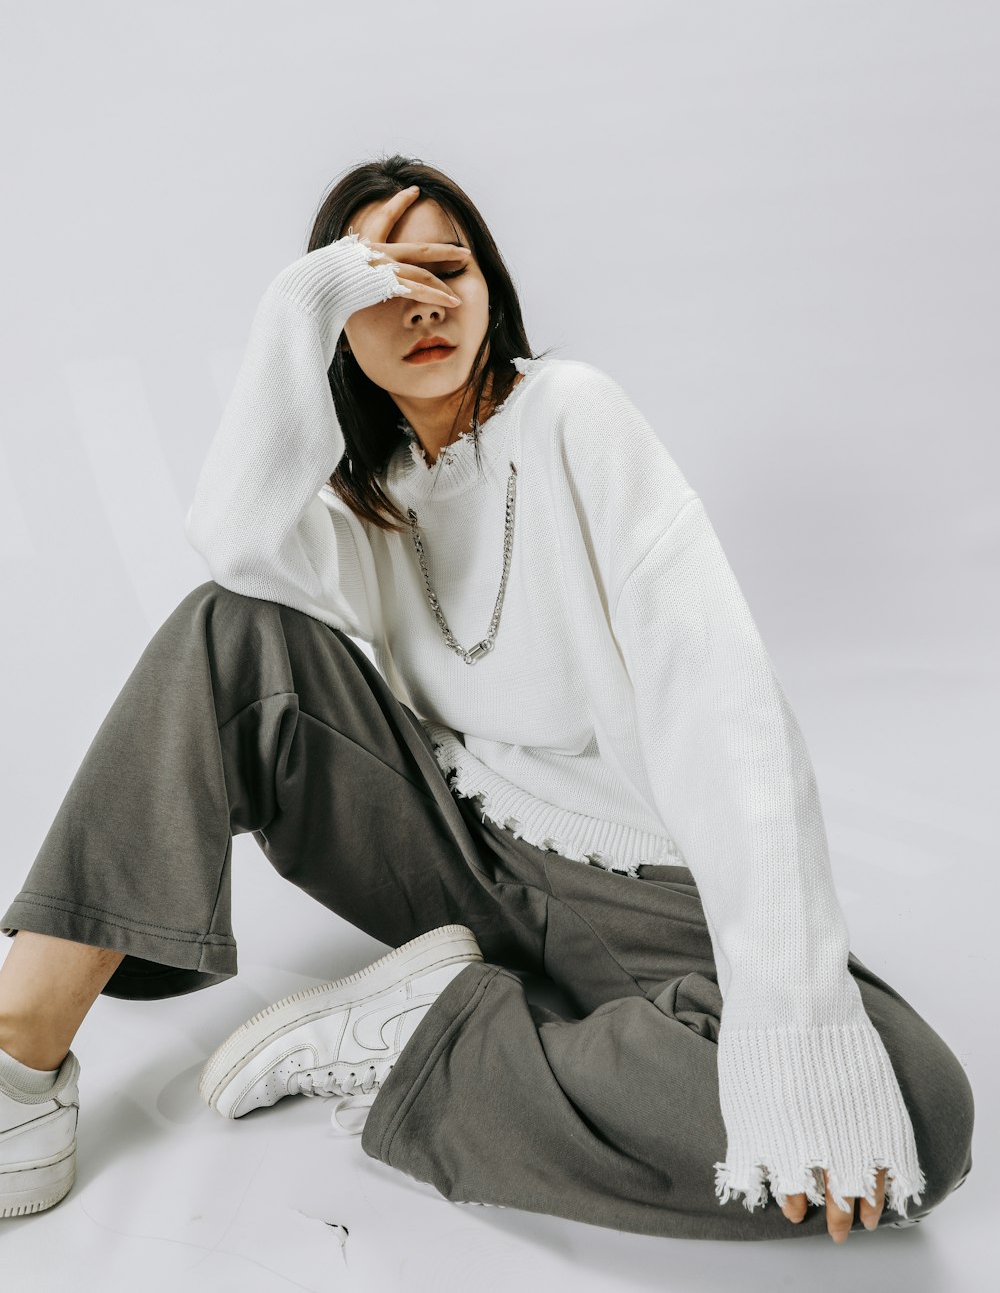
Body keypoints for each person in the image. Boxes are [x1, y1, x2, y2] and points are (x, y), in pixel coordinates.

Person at [0, 160, 974, 1243]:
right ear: (333, 328)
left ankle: (419, 1036)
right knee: (228, 625)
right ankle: (17, 1062)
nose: (421, 300)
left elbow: (724, 706)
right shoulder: (362, 503)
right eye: (376, 284)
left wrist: (791, 1024)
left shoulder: (573, 417)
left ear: (489, 292)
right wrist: (294, 304)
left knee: (915, 1115)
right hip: (447, 857)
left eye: (446, 269)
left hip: (632, 883)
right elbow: (233, 543)